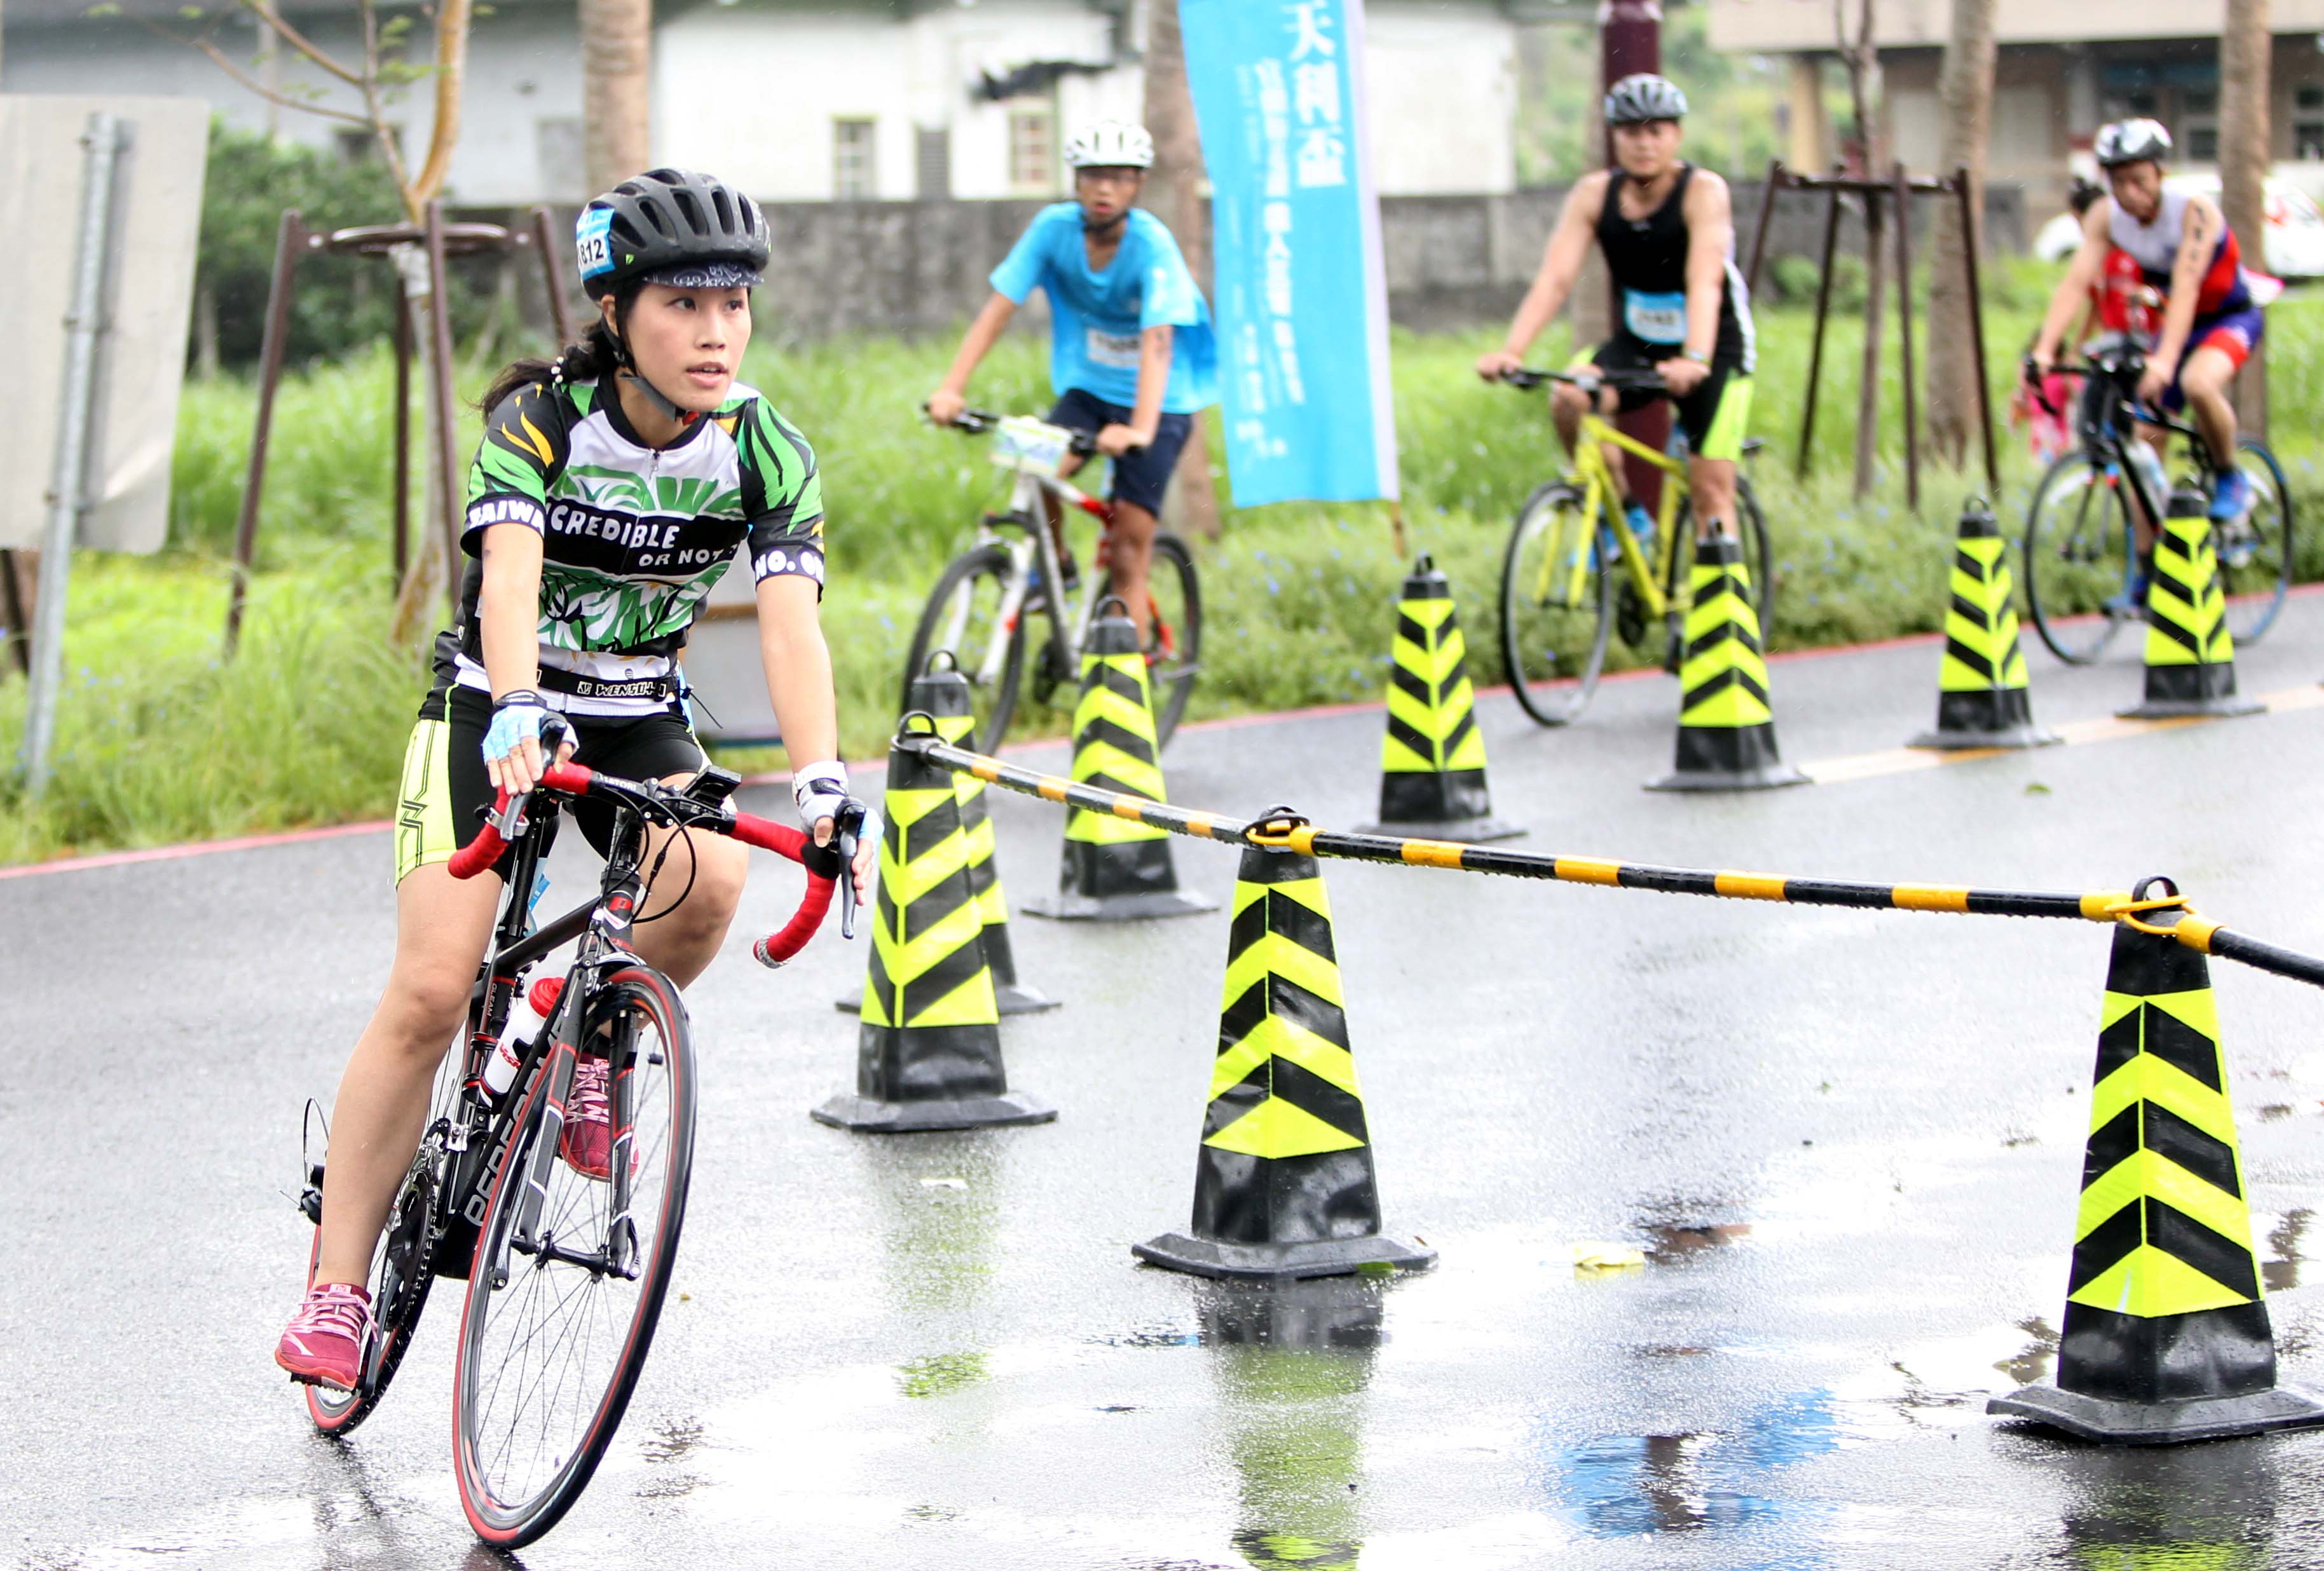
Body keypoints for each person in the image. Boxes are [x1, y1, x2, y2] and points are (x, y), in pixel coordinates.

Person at [274, 168, 875, 1392]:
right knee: (435, 985)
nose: (716, 332)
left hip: (640, 715)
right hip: (497, 706)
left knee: (705, 881)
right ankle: (336, 1287)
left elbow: (790, 624)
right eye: (684, 304)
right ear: (619, 311)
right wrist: (517, 704)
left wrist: (820, 779)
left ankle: (594, 1039)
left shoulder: (765, 446)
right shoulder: (544, 421)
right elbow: (507, 573)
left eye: (735, 305)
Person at [924, 119, 1217, 634]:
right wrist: (952, 388)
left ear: (1138, 185)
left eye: (1120, 177)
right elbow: (999, 310)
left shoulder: (1153, 247)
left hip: (1160, 403)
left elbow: (1158, 340)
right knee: (1035, 467)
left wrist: (1141, 431)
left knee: (1128, 551)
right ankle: (1055, 567)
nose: (1105, 189)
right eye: (1093, 175)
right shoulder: (1053, 231)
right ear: (1076, 180)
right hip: (1090, 391)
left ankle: (1127, 688)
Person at [1476, 73, 1755, 553]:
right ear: (1614, 138)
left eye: (1656, 131)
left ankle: (1727, 613)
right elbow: (1555, 279)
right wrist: (1512, 350)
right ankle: (1623, 516)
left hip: (1715, 347)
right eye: (1631, 132)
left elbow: (1704, 282)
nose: (1644, 144)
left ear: (1677, 136)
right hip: (1640, 343)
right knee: (1569, 397)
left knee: (1711, 492)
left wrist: (1695, 358)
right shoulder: (1593, 195)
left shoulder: (1702, 191)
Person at [2030, 118, 2263, 566]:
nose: (2130, 192)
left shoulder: (2193, 212)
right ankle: (2145, 568)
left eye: (2139, 180)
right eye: (2118, 182)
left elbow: (2188, 286)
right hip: (2171, 321)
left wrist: (2163, 363)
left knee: (2197, 383)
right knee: (2142, 447)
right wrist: (2045, 349)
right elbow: (2077, 282)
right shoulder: (2106, 217)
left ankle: (2231, 473)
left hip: (2225, 317)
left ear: (2161, 173)